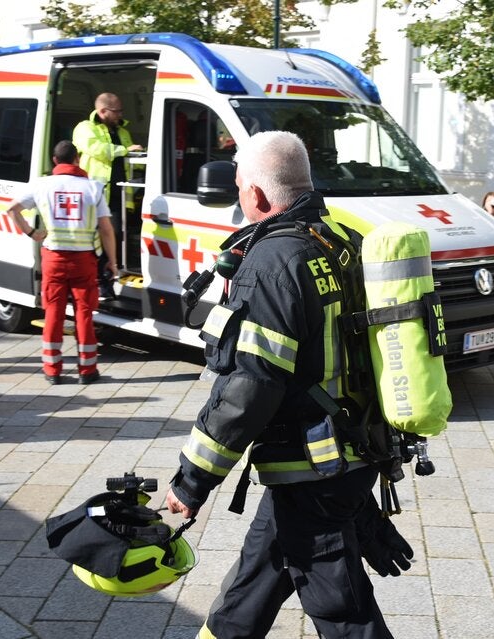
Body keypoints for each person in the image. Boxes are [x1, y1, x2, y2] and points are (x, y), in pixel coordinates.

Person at [165, 131, 400, 638]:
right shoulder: (339, 242)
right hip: (352, 449)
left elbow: (251, 386)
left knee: (342, 609)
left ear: (257, 195)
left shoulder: (272, 263)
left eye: (237, 185)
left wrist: (192, 480)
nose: (237, 195)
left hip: (314, 466)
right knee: (256, 580)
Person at [6, 140, 118, 385]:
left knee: (53, 313)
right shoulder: (93, 188)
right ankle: (87, 370)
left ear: (55, 161)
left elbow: (12, 209)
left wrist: (31, 232)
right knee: (84, 313)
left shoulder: (41, 185)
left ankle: (52, 369)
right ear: (77, 159)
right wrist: (113, 262)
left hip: (53, 259)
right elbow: (106, 229)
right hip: (83, 261)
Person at [72, 92, 143, 299]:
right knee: (98, 240)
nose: (120, 114)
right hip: (95, 196)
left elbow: (128, 153)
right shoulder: (85, 128)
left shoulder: (122, 130)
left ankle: (109, 279)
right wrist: (124, 149)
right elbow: (97, 149)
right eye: (117, 111)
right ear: (103, 111)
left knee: (115, 238)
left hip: (118, 195)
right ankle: (100, 283)